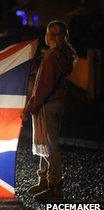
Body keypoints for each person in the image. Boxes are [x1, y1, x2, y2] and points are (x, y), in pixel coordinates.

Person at [22, 20, 76, 200]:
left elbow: (44, 86)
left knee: (51, 146)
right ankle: (44, 180)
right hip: (56, 103)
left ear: (50, 36)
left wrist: (31, 106)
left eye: (46, 32)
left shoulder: (53, 57)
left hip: (49, 104)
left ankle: (54, 187)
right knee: (45, 142)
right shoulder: (59, 55)